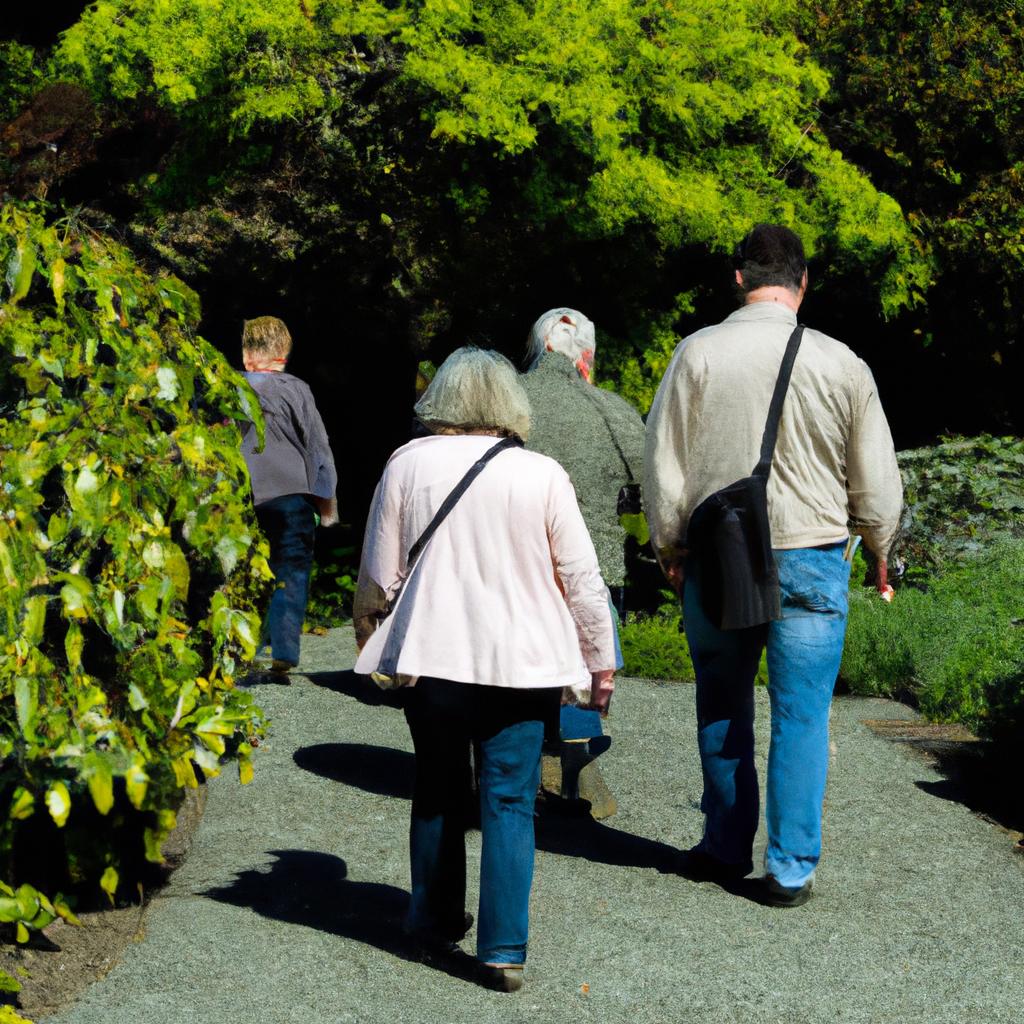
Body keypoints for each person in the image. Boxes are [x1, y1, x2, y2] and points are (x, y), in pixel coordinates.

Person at [644, 224, 903, 907]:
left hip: (719, 555)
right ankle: (790, 867)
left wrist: (671, 545)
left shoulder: (696, 354)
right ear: (803, 280)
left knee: (723, 702)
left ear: (738, 277)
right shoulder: (843, 363)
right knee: (802, 715)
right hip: (813, 554)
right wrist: (880, 547)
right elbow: (875, 480)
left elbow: (663, 466)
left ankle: (725, 847)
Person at [353, 347, 616, 991]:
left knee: (438, 788)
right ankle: (502, 950)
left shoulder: (406, 464)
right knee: (510, 801)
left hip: (434, 660)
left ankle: (433, 916)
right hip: (522, 666)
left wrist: (370, 637)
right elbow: (581, 578)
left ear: (440, 401)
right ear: (510, 405)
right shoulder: (541, 473)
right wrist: (599, 661)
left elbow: (377, 574)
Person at [519, 309, 645, 804]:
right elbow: (644, 490)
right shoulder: (613, 410)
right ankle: (575, 763)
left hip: (514, 561)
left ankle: (518, 766)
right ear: (586, 359)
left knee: (518, 669)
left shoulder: (505, 400)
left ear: (537, 347)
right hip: (594, 563)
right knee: (584, 658)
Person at [240, 316, 338, 675]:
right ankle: (282, 649)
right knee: (291, 569)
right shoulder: (295, 389)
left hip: (243, 497)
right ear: (284, 351)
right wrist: (327, 504)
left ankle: (242, 644)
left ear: (246, 351)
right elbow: (317, 448)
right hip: (291, 496)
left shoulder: (230, 388)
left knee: (247, 571)